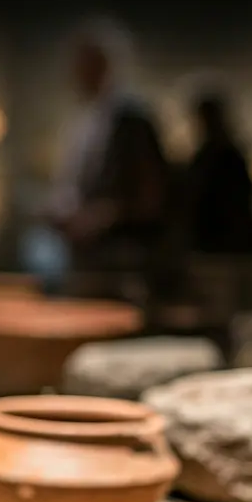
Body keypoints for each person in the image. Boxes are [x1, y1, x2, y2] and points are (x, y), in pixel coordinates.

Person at [45, 18, 169, 302]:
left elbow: (150, 194)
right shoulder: (84, 120)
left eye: (85, 63)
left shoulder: (132, 121)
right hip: (87, 255)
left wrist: (104, 215)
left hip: (121, 256)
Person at [186, 91, 252, 357]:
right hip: (228, 252)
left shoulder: (219, 155)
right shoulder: (227, 153)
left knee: (226, 323)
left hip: (221, 255)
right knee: (228, 323)